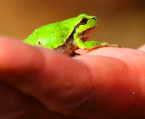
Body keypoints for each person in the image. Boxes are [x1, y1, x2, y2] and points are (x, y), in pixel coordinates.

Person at [0, 36, 144, 119]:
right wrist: (101, 44)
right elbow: (83, 45)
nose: (93, 21)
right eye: (84, 21)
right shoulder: (77, 38)